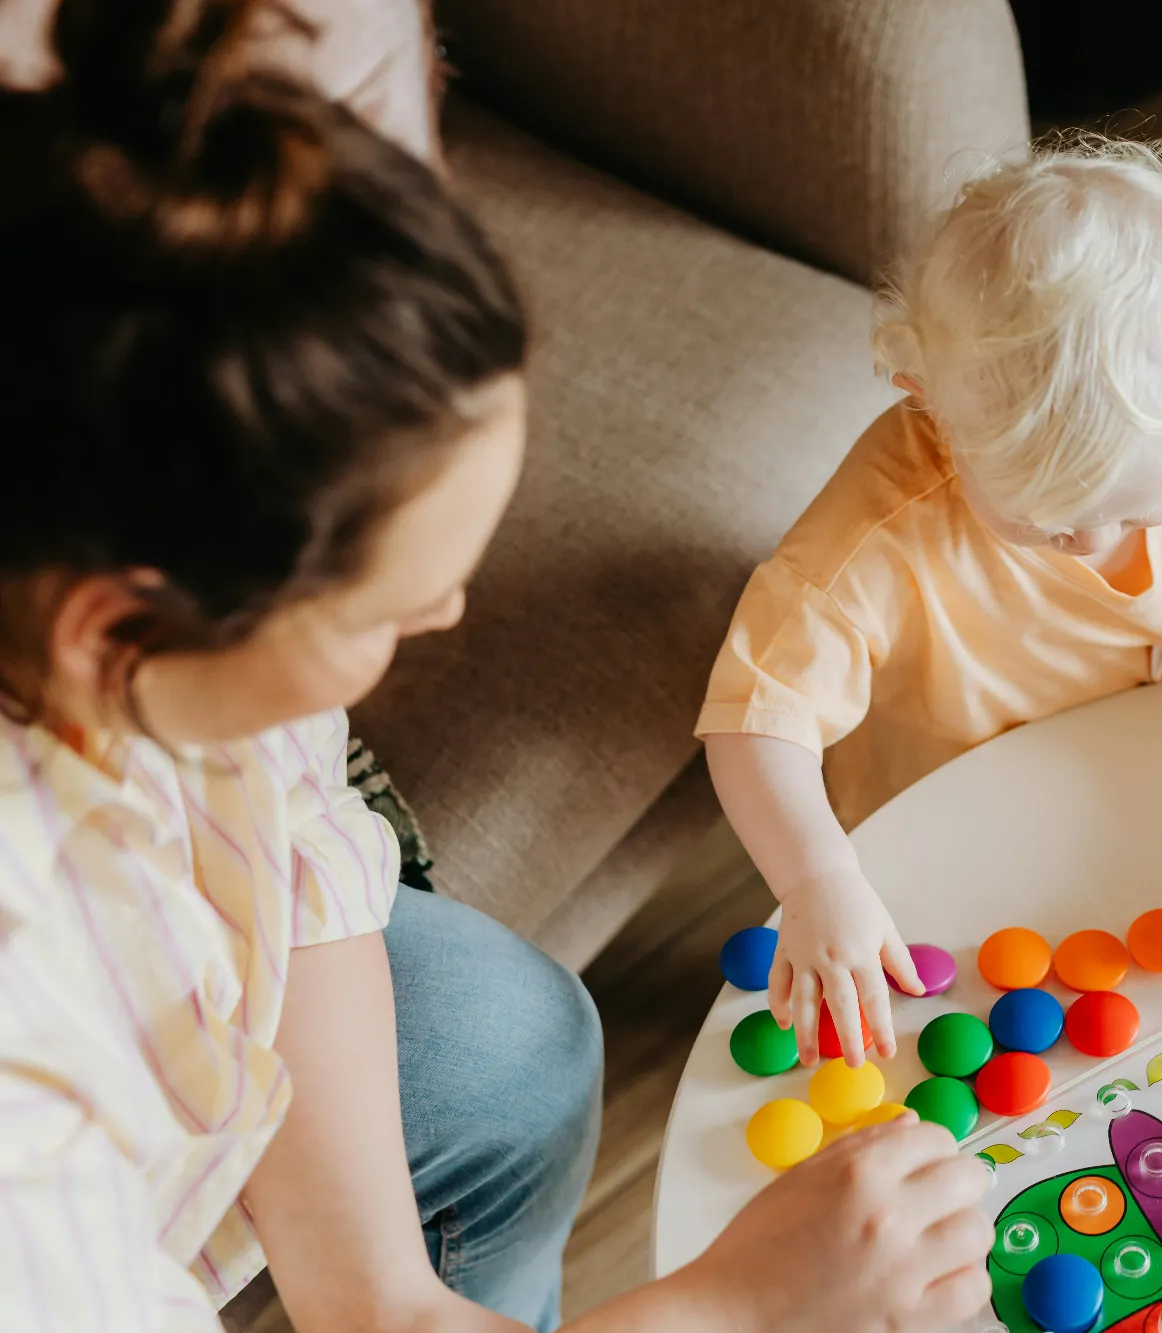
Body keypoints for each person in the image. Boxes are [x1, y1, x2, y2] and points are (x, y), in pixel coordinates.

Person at [0, 2, 992, 1331]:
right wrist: (734, 1311)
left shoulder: (120, 529)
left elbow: (288, 825)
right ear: (113, 633)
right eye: (384, 607)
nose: (453, 611)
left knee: (510, 1047)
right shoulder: (27, 1074)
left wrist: (389, 1302)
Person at [700, 137, 1162, 1068]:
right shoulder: (881, 530)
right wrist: (819, 880)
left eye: (1138, 509)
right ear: (929, 404)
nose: (1096, 541)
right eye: (1044, 524)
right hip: (946, 814)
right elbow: (754, 721)